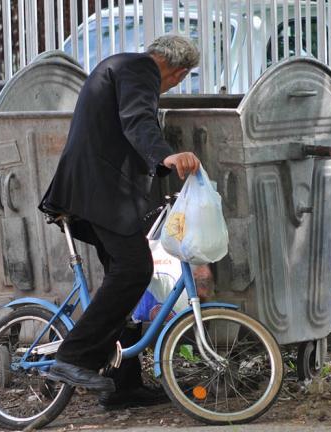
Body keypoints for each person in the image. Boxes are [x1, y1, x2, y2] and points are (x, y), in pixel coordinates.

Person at [39, 35, 201, 409]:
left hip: (98, 193)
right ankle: (73, 357)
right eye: (179, 79)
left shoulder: (123, 67)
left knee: (123, 283)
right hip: (98, 193)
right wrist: (167, 157)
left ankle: (123, 386)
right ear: (177, 72)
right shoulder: (139, 69)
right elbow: (137, 120)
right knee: (134, 270)